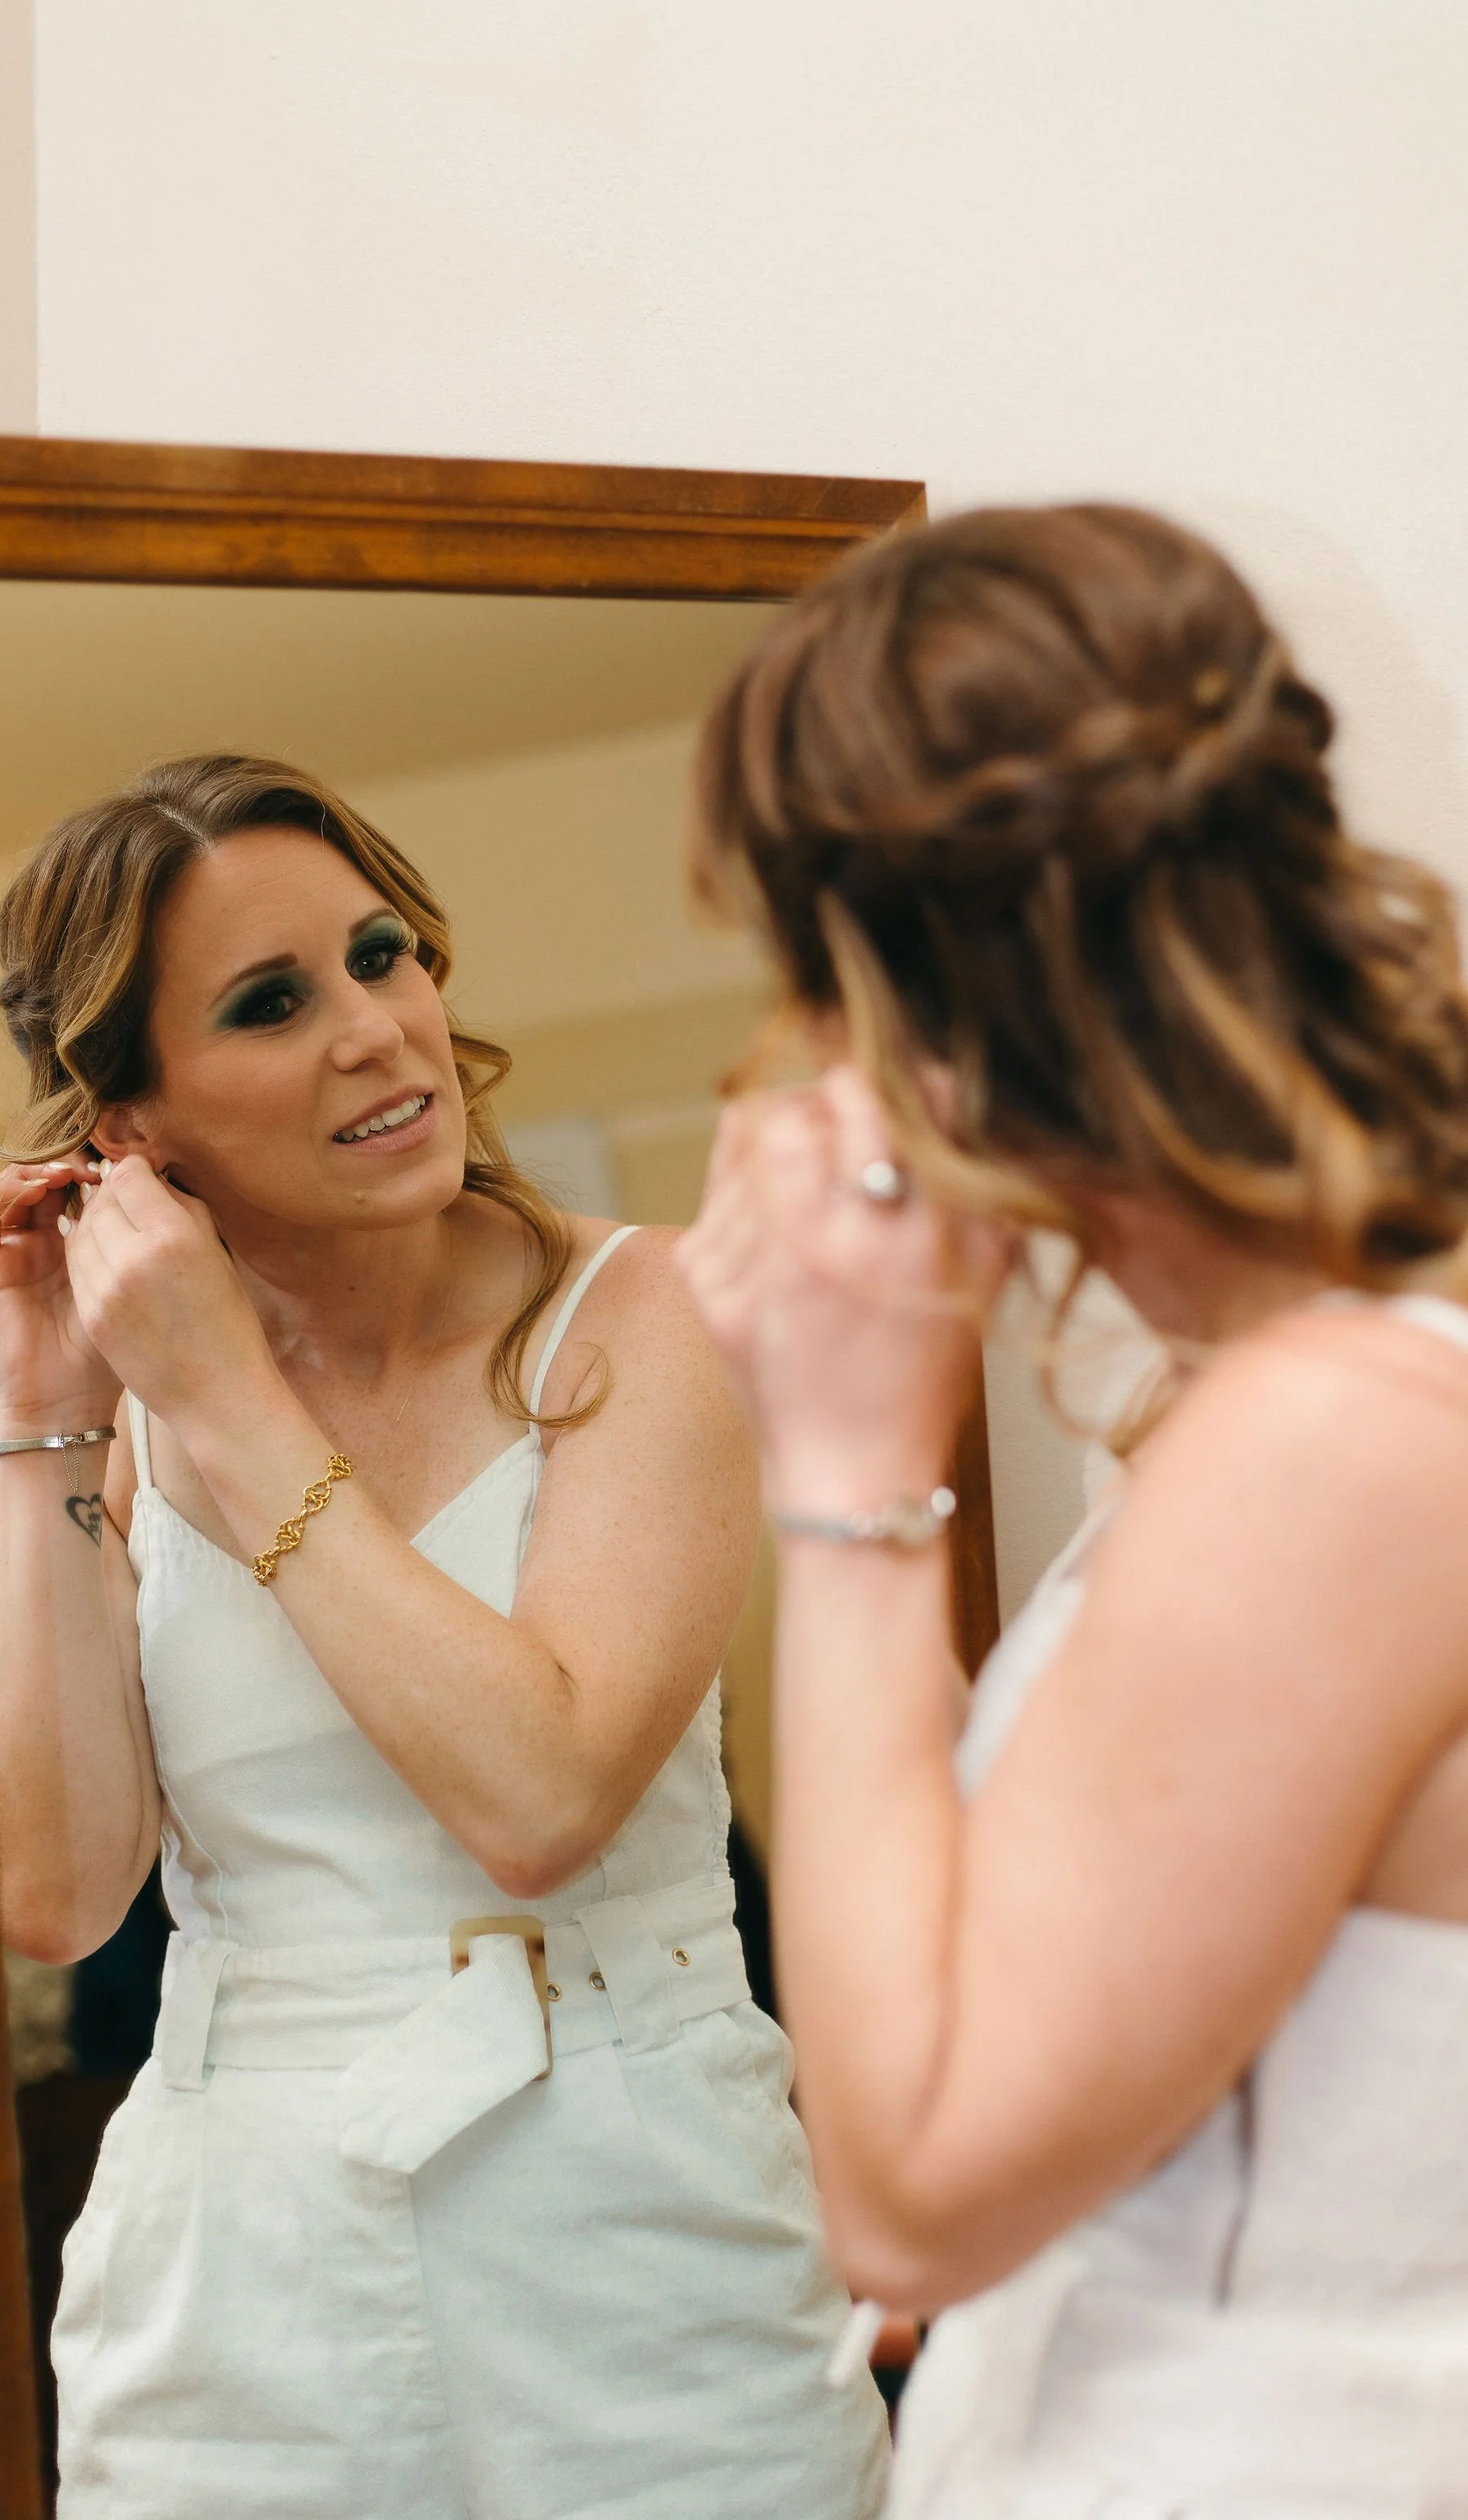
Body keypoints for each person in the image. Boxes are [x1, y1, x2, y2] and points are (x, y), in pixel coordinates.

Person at [0, 753, 891, 2520]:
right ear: (134, 1125)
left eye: (382, 954)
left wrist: (228, 1401)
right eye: (270, 1003)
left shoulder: (644, 1320)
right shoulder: (134, 1406)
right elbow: (61, 1896)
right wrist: (45, 1422)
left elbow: (539, 1798)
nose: (375, 1029)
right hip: (234, 2272)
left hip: (644, 2245)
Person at [677, 506, 1468, 2518]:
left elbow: (913, 2194)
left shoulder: (1334, 1438)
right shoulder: (1297, 1395)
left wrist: (850, 1467)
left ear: (902, 993)